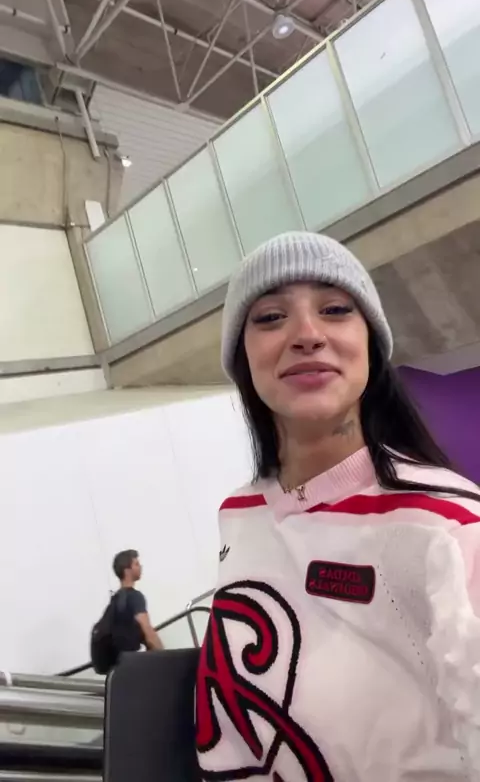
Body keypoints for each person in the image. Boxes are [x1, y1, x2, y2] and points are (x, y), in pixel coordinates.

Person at [195, 231, 480, 781]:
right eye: (271, 317)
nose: (307, 334)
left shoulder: (446, 524)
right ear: (242, 358)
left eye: (334, 309)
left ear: (370, 342)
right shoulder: (239, 511)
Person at [111, 549, 163, 654]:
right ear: (127, 571)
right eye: (136, 564)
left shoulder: (114, 599)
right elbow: (148, 633)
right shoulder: (135, 597)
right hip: (135, 658)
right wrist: (165, 655)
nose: (140, 567)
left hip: (121, 659)